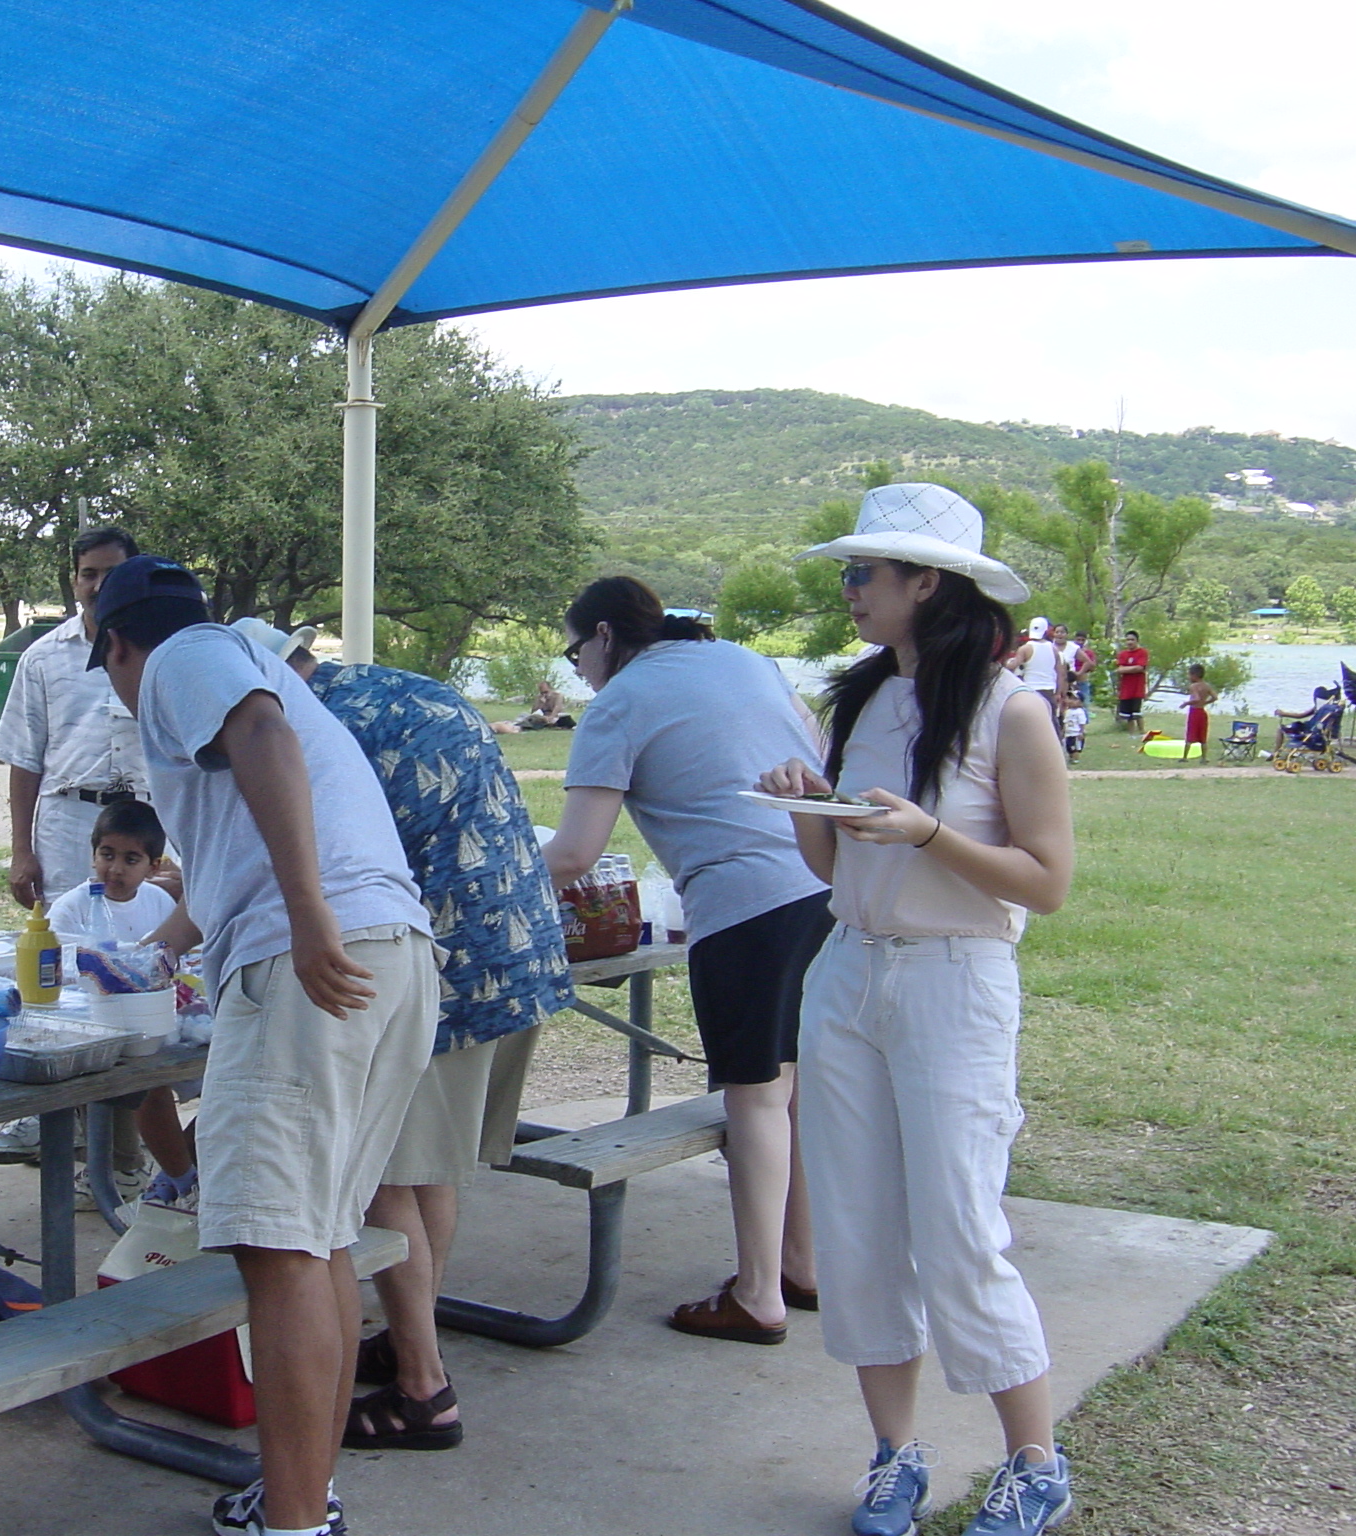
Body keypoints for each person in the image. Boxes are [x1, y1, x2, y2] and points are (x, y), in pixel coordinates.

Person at [94, 557, 436, 1536]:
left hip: (310, 959)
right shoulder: (245, 657)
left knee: (278, 1247)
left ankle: (292, 1526)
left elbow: (258, 736)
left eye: (106, 665)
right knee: (317, 1242)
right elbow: (222, 857)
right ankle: (301, 1498)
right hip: (390, 953)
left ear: (116, 643)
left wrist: (305, 911)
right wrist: (158, 953)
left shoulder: (182, 659)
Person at [761, 482, 1075, 1536]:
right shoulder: (860, 700)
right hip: (847, 971)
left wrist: (927, 834)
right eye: (849, 571)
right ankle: (894, 1457)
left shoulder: (1007, 710)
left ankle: (1032, 1463)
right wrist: (809, 801)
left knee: (955, 1225)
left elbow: (1042, 881)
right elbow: (832, 861)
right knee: (854, 1224)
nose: (847, 589)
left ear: (923, 584)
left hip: (953, 981)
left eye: (864, 573)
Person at [233, 615, 572, 1453]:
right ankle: (411, 1331)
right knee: (425, 1172)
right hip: (510, 947)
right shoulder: (396, 688)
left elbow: (315, 862)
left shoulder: (318, 728)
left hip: (443, 961)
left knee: (383, 1172)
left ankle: (423, 1387)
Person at [542, 576, 831, 1347]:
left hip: (745, 906)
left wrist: (478, 877)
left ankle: (759, 1293)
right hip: (825, 886)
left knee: (755, 1098)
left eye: (577, 654)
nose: (581, 672)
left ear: (604, 636)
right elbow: (815, 748)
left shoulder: (619, 703)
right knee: (794, 1091)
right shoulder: (741, 659)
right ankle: (802, 1266)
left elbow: (573, 854)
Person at [0, 525, 148, 1169]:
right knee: (59, 976)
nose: (98, 585)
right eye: (87, 574)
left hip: (145, 830)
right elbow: (24, 759)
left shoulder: (157, 652)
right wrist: (21, 850)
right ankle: (47, 1119)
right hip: (67, 825)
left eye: (111, 572)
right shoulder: (43, 657)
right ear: (72, 580)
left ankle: (121, 1152)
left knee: (140, 971)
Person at [43, 799, 196, 1202]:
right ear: (92, 854)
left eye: (131, 859)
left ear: (154, 865)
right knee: (132, 1083)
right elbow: (64, 969)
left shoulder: (161, 903)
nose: (115, 869)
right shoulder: (71, 907)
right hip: (95, 1017)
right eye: (106, 855)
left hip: (152, 1016)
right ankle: (123, 1169)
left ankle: (178, 1175)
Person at [1005, 617, 1066, 730]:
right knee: (1051, 722)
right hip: (1049, 690)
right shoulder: (1054, 649)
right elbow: (1060, 673)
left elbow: (1013, 666)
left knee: (1030, 723)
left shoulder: (1025, 648)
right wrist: (1058, 693)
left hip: (1030, 689)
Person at [1113, 631, 1148, 729]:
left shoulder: (1142, 652)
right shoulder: (1123, 654)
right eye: (1127, 640)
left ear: (1137, 641)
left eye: (1132, 640)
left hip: (1137, 687)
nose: (1129, 642)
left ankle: (1142, 732)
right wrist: (1131, 669)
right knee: (1128, 715)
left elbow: (1140, 668)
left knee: (1137, 713)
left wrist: (1125, 669)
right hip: (1126, 688)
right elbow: (1119, 669)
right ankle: (1131, 733)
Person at [1183, 663, 1216, 762]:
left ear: (1194, 675)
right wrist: (1205, 702)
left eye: (1189, 675)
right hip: (1202, 712)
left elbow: (1196, 698)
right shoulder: (1207, 686)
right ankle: (1204, 758)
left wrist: (1186, 703)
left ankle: (1184, 757)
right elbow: (1215, 697)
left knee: (1190, 735)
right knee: (1203, 736)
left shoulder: (1193, 686)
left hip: (1194, 711)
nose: (1188, 677)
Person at [1069, 632, 1096, 706]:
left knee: (1085, 703)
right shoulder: (1071, 650)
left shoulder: (1089, 653)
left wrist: (1081, 672)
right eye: (1078, 640)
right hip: (1070, 681)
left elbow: (1092, 666)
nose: (1080, 642)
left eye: (1082, 640)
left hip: (1082, 680)